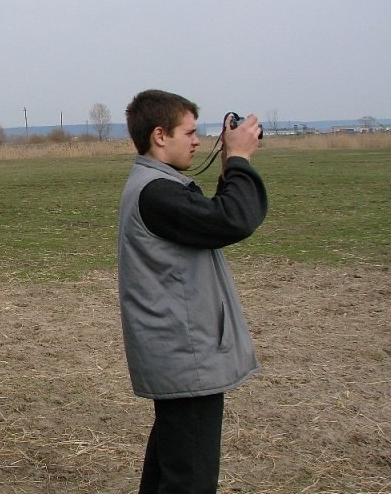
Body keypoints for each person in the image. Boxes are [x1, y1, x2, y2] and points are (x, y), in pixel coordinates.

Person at [117, 89, 268, 493]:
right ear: (160, 135)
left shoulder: (160, 188)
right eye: (191, 132)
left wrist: (227, 168)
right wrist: (238, 160)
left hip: (181, 355)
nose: (198, 140)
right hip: (185, 356)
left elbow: (212, 221)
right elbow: (233, 219)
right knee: (190, 480)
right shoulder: (157, 192)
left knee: (170, 468)